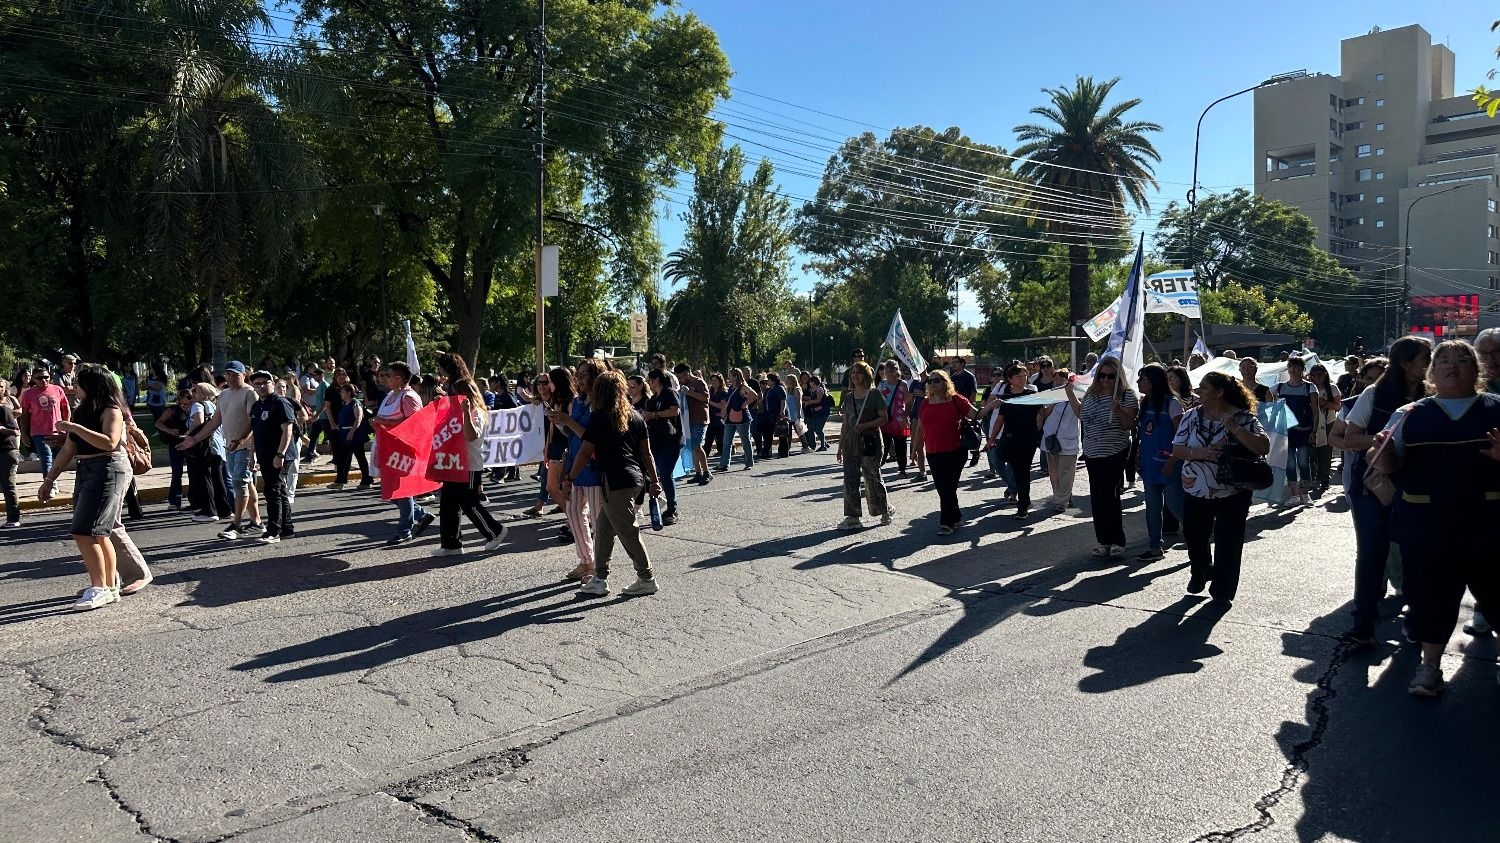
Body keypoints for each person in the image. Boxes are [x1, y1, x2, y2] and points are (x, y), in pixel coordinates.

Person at [1365, 340, 1500, 696]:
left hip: (1489, 523)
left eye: (1462, 359)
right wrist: (1381, 457)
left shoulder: (1496, 409)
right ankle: (1429, 668)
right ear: (1431, 373)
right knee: (1430, 598)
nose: (1451, 366)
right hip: (1426, 524)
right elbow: (1390, 463)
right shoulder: (1409, 414)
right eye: (1442, 360)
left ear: (1477, 371)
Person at [1336, 337, 1431, 646]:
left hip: (1418, 487)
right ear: (1405, 364)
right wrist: (1382, 439)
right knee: (1372, 552)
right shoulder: (1373, 394)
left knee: (1417, 553)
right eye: (1424, 360)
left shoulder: (1431, 397)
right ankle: (1363, 623)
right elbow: (1350, 438)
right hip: (1372, 487)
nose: (1429, 366)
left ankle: (1420, 623)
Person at [1171, 371, 1271, 608]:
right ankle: (1201, 569)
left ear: (1219, 392)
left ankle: (1222, 589)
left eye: (1204, 388)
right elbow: (1177, 449)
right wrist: (1200, 454)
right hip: (1195, 488)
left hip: (1233, 490)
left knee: (1229, 541)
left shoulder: (1243, 418)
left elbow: (1263, 446)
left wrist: (1236, 429)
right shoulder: (1191, 416)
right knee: (1194, 536)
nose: (1199, 392)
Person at [36, 364, 131, 610]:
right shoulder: (81, 412)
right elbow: (69, 449)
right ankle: (109, 587)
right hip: (87, 470)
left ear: (92, 385)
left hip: (107, 469)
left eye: (79, 382)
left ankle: (99, 587)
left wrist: (74, 428)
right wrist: (49, 480)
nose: (75, 386)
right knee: (98, 533)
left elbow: (110, 442)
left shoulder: (112, 410)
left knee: (84, 531)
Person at [563, 370, 661, 598]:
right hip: (633, 480)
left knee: (628, 532)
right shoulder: (635, 416)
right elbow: (647, 454)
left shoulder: (600, 416)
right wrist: (655, 481)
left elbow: (585, 452)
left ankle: (646, 578)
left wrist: (569, 478)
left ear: (600, 392)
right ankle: (600, 578)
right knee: (604, 530)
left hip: (615, 482)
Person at [432, 353, 508, 556]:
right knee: (448, 503)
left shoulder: (475, 412)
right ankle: (451, 544)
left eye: (455, 395)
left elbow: (471, 435)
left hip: (469, 463)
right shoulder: (459, 407)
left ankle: (495, 531)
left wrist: (464, 411)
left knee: (468, 503)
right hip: (455, 462)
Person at [369, 362, 434, 544]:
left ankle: (404, 530)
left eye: (388, 375)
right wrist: (377, 423)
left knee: (401, 491)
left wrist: (385, 423)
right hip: (386, 450)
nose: (384, 378)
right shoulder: (390, 395)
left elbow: (415, 424)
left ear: (399, 378)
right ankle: (421, 514)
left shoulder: (408, 397)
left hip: (402, 451)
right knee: (390, 491)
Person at [1080, 356, 1138, 558]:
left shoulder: (1126, 395)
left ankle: (1117, 540)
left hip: (1115, 449)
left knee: (1109, 493)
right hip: (1092, 450)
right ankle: (1103, 540)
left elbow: (1130, 425)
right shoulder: (1090, 394)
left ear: (1118, 376)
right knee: (1096, 496)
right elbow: (1082, 415)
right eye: (1102, 375)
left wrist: (1118, 409)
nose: (1106, 380)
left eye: (1111, 376)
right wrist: (1070, 394)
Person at [552, 358, 604, 579]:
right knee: (573, 512)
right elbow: (572, 435)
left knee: (598, 519)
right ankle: (586, 561)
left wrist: (567, 420)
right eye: (578, 375)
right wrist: (559, 422)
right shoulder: (578, 402)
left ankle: (600, 567)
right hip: (576, 464)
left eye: (584, 375)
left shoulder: (600, 404)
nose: (579, 379)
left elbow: (590, 437)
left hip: (593, 468)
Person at [912, 369, 974, 535]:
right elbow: (919, 429)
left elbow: (975, 414)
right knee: (943, 488)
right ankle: (956, 515)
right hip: (933, 452)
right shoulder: (925, 403)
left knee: (948, 486)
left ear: (945, 382)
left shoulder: (956, 400)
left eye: (936, 380)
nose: (932, 384)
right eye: (930, 381)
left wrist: (991, 406)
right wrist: (914, 449)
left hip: (955, 451)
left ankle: (946, 523)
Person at [1134, 364, 1184, 561]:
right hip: (1149, 465)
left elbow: (1182, 434)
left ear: (1153, 381)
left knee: (1175, 505)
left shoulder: (1172, 403)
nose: (1138, 382)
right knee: (1152, 507)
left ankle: (1197, 537)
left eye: (1142, 378)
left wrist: (1173, 459)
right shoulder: (1145, 403)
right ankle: (1155, 546)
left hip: (1169, 464)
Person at [836, 360, 892, 530]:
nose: (855, 376)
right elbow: (845, 424)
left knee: (872, 478)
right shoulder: (848, 397)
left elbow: (884, 418)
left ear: (866, 375)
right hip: (850, 443)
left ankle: (884, 510)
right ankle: (853, 517)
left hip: (870, 442)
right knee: (850, 481)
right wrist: (840, 447)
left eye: (858, 372)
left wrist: (866, 425)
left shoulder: (874, 394)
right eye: (853, 373)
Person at [245, 370, 296, 543]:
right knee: (279, 490)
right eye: (257, 383)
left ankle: (273, 530)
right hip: (264, 455)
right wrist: (252, 457)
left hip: (280, 455)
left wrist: (280, 454)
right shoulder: (256, 406)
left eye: (264, 382)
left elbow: (287, 430)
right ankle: (287, 528)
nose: (261, 386)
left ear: (272, 383)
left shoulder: (280, 403)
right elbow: (255, 433)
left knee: (271, 490)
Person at [984, 363, 1041, 518]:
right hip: (1010, 438)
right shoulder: (1006, 398)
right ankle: (1024, 499)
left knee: (1023, 471)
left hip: (1028, 439)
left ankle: (1022, 506)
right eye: (1018, 376)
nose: (1022, 378)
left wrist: (1059, 399)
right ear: (1010, 379)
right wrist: (991, 439)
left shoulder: (1032, 395)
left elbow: (1043, 412)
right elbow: (999, 420)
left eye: (1024, 375)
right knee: (1015, 470)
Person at [1272, 356, 1318, 507]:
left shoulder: (1309, 387)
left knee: (1304, 462)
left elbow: (1315, 411)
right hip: (1286, 433)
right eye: (1291, 366)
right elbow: (1264, 398)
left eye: (1298, 367)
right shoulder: (1279, 387)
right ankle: (1294, 495)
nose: (1294, 370)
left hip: (1304, 430)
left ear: (1303, 369)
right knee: (1290, 464)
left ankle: (1305, 494)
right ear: (1288, 368)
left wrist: (1314, 431)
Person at [642, 368, 684, 525]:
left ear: (656, 379)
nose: (649, 383)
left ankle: (672, 509)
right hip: (657, 441)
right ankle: (667, 506)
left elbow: (675, 411)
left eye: (650, 380)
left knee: (666, 473)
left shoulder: (669, 393)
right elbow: (647, 415)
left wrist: (654, 415)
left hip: (672, 440)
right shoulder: (653, 399)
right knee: (661, 474)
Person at [1040, 370, 1081, 514]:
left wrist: (1069, 394)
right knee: (1054, 473)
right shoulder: (1050, 394)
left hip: (1068, 439)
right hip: (1051, 438)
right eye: (1055, 377)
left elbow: (1080, 413)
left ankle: (1060, 502)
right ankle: (1063, 496)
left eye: (1061, 377)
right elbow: (1044, 414)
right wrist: (1050, 404)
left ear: (1068, 380)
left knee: (1066, 472)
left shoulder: (1077, 394)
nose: (1057, 379)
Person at [20, 365, 70, 478]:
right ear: (33, 379)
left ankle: (53, 479)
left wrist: (66, 425)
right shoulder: (28, 394)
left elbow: (65, 408)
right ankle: (49, 483)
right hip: (39, 431)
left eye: (46, 377)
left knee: (59, 458)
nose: (44, 380)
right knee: (46, 457)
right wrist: (24, 433)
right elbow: (24, 415)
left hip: (57, 430)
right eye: (40, 378)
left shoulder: (57, 389)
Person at [153, 388, 193, 511]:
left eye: (191, 397)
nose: (189, 400)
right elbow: (158, 423)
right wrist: (170, 431)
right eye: (187, 397)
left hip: (191, 443)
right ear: (180, 398)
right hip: (176, 443)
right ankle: (175, 499)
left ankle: (194, 499)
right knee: (177, 472)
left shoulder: (195, 408)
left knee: (193, 472)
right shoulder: (172, 410)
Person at [1306, 363, 1341, 499]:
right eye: (1313, 375)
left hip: (1328, 422)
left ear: (1325, 374)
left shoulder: (1332, 388)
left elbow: (1338, 406)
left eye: (1319, 375)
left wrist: (1324, 403)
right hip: (1312, 422)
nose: (1316, 378)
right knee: (1312, 451)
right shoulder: (1309, 387)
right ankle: (1313, 477)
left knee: (1326, 451)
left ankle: (1324, 478)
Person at [675, 363, 712, 483]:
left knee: (697, 446)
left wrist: (689, 392)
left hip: (699, 419)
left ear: (687, 373)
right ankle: (698, 472)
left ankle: (707, 473)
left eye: (681, 377)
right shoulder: (683, 384)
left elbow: (705, 398)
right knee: (693, 447)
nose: (680, 380)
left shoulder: (699, 382)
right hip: (687, 420)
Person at [715, 369, 757, 472]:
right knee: (726, 442)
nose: (728, 377)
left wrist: (746, 404)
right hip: (730, 418)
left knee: (745, 441)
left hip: (742, 418)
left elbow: (754, 395)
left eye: (730, 375)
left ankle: (749, 462)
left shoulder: (742, 387)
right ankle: (724, 464)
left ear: (736, 376)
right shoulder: (730, 388)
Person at [877, 361, 911, 479]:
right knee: (883, 446)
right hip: (884, 419)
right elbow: (877, 400)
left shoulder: (903, 384)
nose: (889, 374)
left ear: (897, 371)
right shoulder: (882, 385)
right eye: (886, 371)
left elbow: (907, 401)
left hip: (899, 419)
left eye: (891, 371)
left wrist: (905, 416)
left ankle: (902, 469)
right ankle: (877, 469)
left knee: (900, 446)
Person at [948, 357, 980, 467]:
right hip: (955, 410)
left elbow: (973, 392)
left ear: (962, 364)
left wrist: (968, 407)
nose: (953, 365)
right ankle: (961, 456)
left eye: (955, 362)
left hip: (966, 408)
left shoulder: (969, 376)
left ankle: (975, 451)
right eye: (952, 363)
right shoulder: (951, 378)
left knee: (971, 432)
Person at [0, 387, 19, 527]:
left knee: (8, 484)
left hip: (7, 451)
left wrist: (1, 429)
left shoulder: (4, 410)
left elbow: (15, 431)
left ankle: (13, 518)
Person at [802, 374, 831, 452]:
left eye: (810, 382)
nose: (809, 383)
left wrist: (809, 401)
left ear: (814, 382)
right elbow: (813, 398)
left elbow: (818, 400)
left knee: (818, 429)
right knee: (816, 428)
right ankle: (824, 444)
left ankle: (823, 445)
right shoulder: (813, 390)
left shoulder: (819, 389)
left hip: (823, 412)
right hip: (817, 412)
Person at [705, 373, 727, 462]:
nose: (714, 382)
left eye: (716, 381)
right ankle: (701, 462)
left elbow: (722, 406)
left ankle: (724, 462)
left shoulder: (723, 392)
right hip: (710, 420)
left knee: (720, 442)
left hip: (719, 421)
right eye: (712, 380)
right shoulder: (710, 391)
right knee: (707, 441)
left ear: (720, 382)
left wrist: (709, 402)